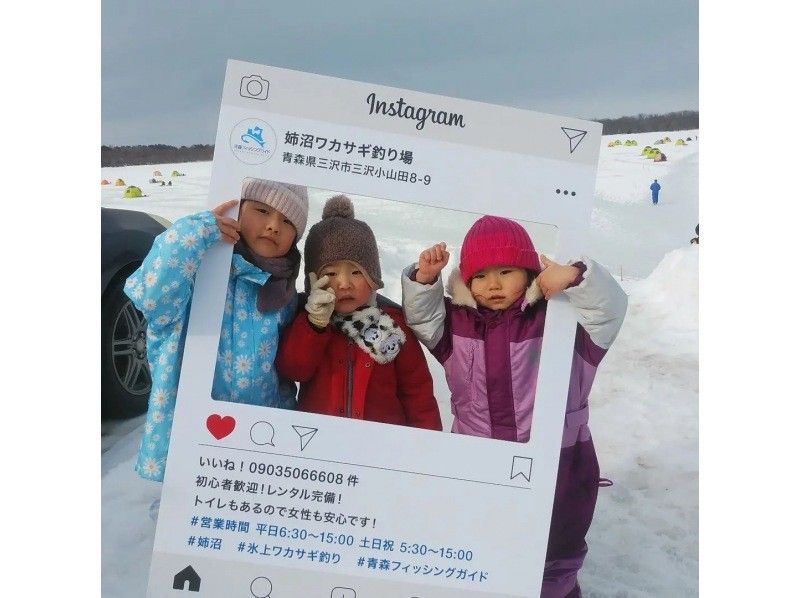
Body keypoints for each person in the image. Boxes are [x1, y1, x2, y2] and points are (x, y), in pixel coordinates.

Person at [401, 215, 627, 597]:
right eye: (480, 275)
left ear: (528, 270)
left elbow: (609, 310)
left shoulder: (562, 318)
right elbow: (423, 317)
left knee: (555, 549)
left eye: (506, 271)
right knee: (481, 541)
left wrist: (576, 277)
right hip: (477, 461)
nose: (492, 284)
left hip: (560, 464)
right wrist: (424, 280)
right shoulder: (457, 323)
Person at [125, 177, 309, 482]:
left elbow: (286, 370)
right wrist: (189, 235)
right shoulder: (199, 270)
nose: (274, 225)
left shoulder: (283, 293)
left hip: (258, 443)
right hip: (189, 437)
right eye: (262, 211)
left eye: (288, 220)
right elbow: (153, 299)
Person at [276, 195, 442, 431]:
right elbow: (293, 370)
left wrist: (426, 445)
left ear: (373, 278)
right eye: (330, 274)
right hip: (319, 446)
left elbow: (417, 394)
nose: (344, 284)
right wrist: (314, 324)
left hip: (383, 451)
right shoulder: (308, 323)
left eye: (356, 272)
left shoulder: (393, 325)